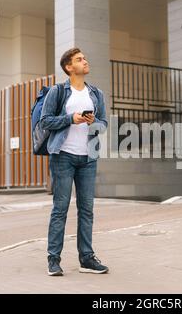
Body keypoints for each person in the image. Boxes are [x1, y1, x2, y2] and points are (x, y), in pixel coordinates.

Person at [40, 47, 108, 276]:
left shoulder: (96, 93)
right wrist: (71, 119)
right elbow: (46, 121)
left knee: (87, 210)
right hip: (63, 156)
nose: (85, 61)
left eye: (85, 58)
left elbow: (104, 125)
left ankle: (87, 259)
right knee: (60, 209)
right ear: (69, 67)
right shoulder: (58, 91)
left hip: (88, 158)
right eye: (80, 59)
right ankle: (53, 259)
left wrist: (91, 122)